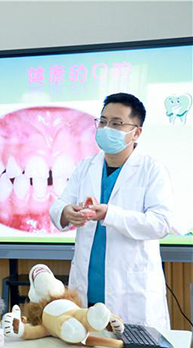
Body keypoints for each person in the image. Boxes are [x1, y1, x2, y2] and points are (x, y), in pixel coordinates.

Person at [49, 93, 173, 330]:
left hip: (131, 294)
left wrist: (109, 214)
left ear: (136, 132)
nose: (107, 129)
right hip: (87, 290)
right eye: (103, 122)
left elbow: (161, 223)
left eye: (116, 123)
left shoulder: (152, 170)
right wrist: (66, 211)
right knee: (84, 346)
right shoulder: (86, 167)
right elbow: (58, 205)